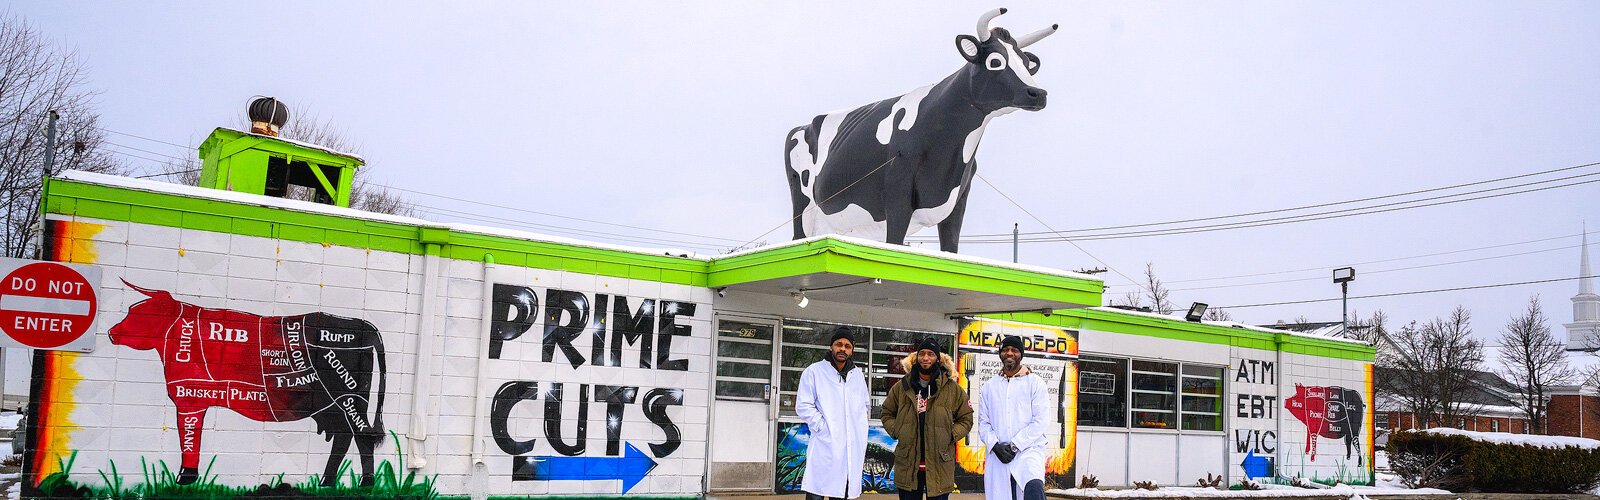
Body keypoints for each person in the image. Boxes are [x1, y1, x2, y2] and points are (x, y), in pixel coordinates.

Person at [883, 337, 974, 500]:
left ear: (938, 359)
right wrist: (897, 430)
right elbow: (887, 413)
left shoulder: (952, 389)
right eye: (922, 354)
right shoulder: (902, 387)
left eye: (931, 354)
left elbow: (966, 418)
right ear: (916, 358)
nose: (925, 358)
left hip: (940, 464)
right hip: (908, 465)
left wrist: (951, 434)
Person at [795, 326, 870, 500]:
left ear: (851, 350)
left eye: (847, 346)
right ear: (831, 347)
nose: (843, 349)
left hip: (850, 446)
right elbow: (803, 406)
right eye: (839, 344)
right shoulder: (814, 372)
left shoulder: (857, 375)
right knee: (817, 491)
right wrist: (823, 428)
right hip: (825, 444)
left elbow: (865, 405)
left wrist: (859, 428)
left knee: (842, 491)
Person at [977, 336, 1051, 500]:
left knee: (1033, 489)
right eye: (1005, 350)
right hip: (998, 456)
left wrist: (1016, 445)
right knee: (1002, 494)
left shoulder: (1035, 383)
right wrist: (995, 447)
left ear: (1021, 354)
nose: (1009, 353)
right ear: (1000, 354)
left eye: (1014, 350)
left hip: (1028, 452)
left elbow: (1041, 421)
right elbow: (983, 423)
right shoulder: (990, 386)